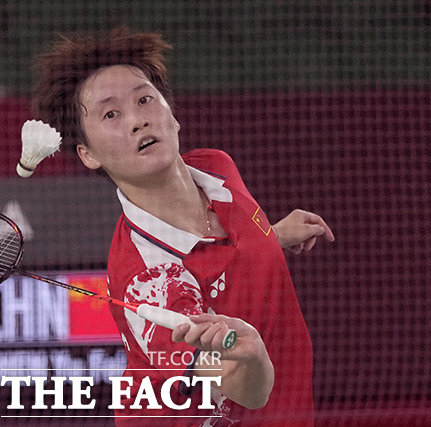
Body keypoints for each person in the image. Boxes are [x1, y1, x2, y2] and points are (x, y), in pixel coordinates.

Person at [31, 28, 334, 426]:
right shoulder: (150, 281)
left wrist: (268, 237)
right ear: (88, 154)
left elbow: (216, 258)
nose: (137, 120)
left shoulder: (216, 167)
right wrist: (252, 357)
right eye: (111, 114)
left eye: (144, 99)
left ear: (171, 115)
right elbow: (244, 389)